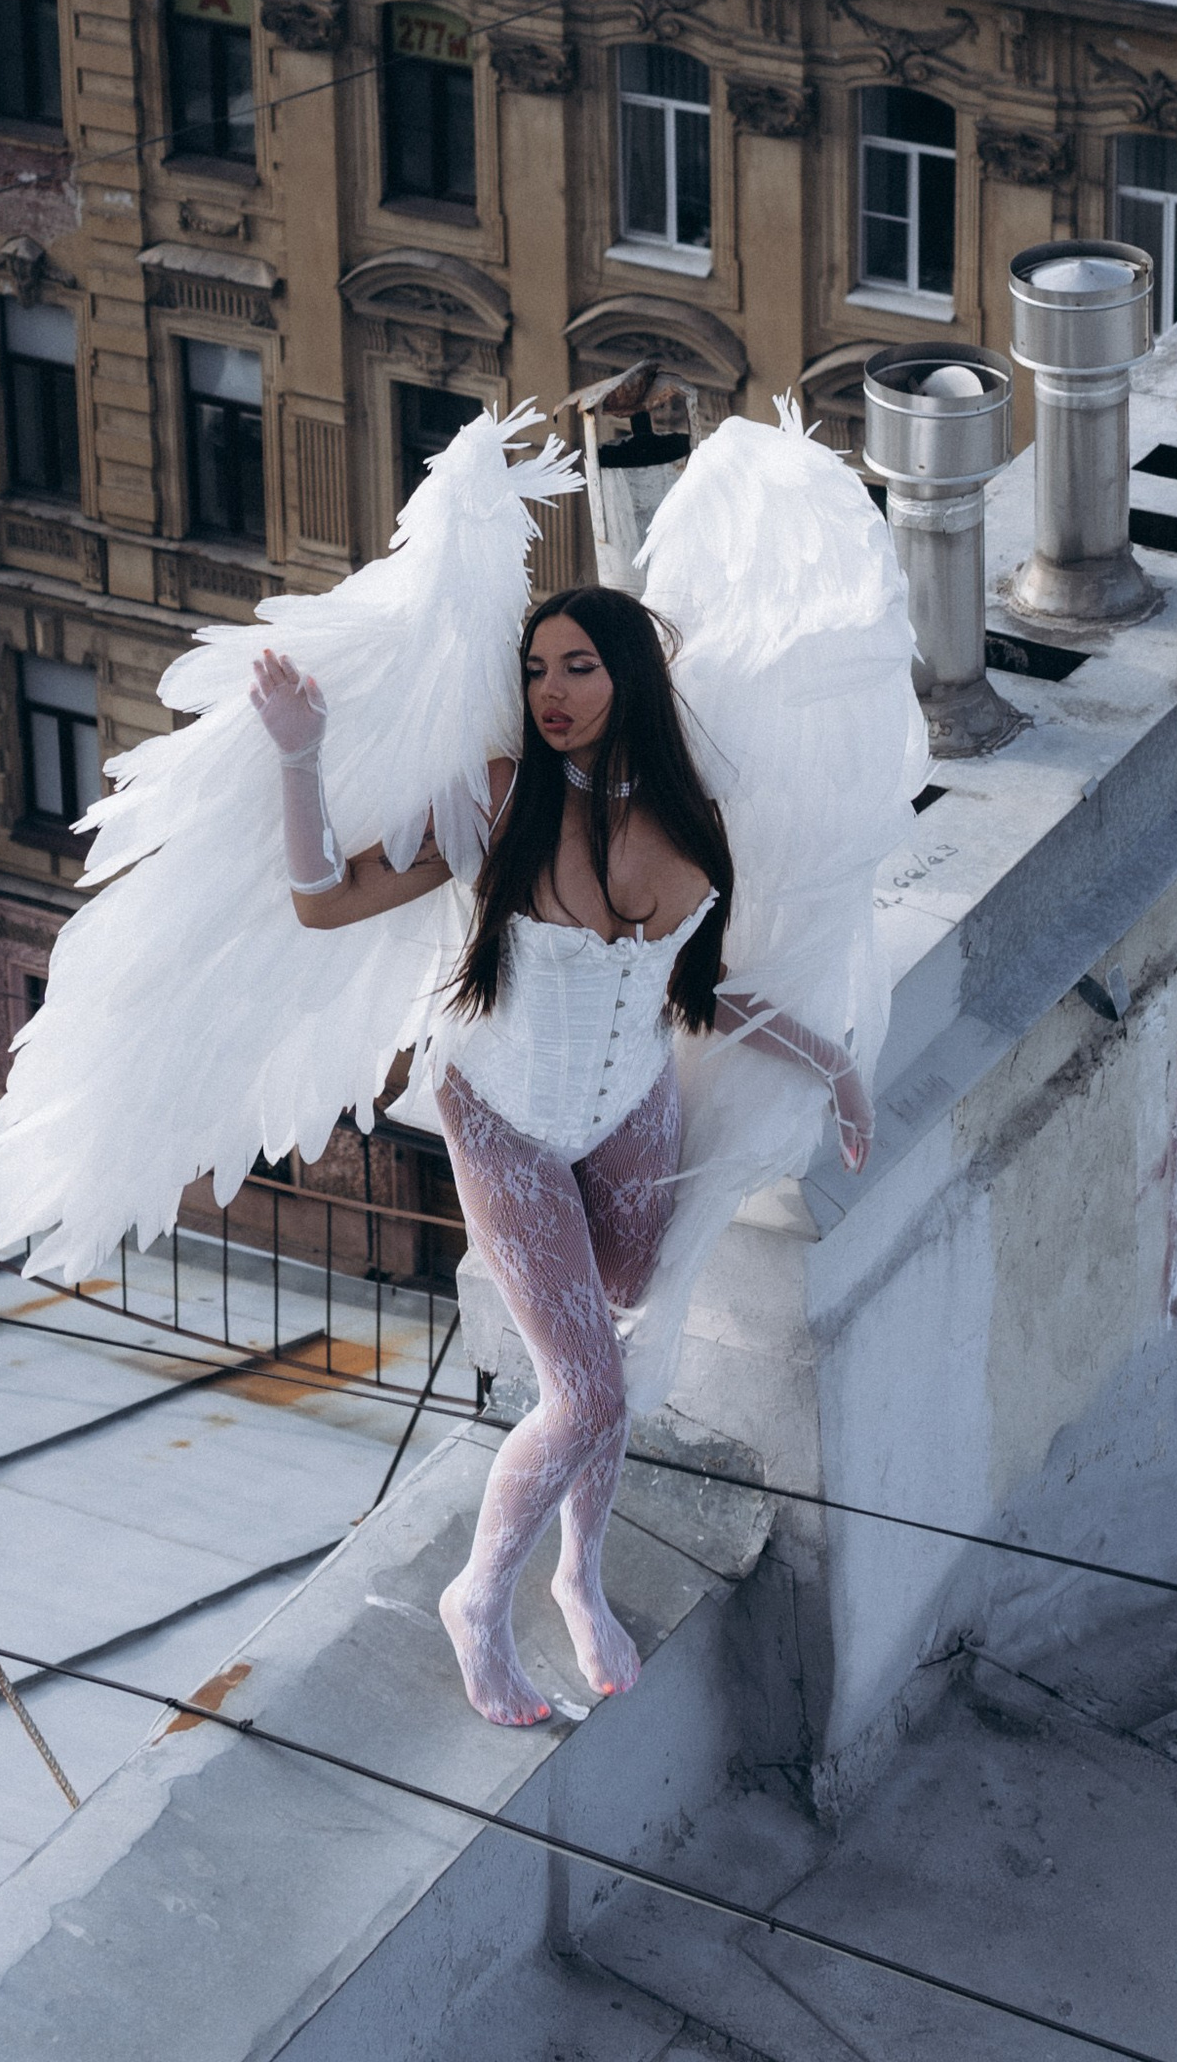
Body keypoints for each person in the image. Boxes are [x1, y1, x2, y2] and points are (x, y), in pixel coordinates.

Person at [248, 584, 872, 1729]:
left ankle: (578, 1571)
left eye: (578, 666)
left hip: (630, 1102)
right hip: (504, 1114)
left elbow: (698, 992)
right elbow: (322, 904)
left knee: (624, 1318)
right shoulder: (497, 799)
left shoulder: (693, 822)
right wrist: (301, 753)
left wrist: (833, 1063)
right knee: (583, 1392)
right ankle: (479, 1602)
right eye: (536, 669)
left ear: (630, 675)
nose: (552, 692)